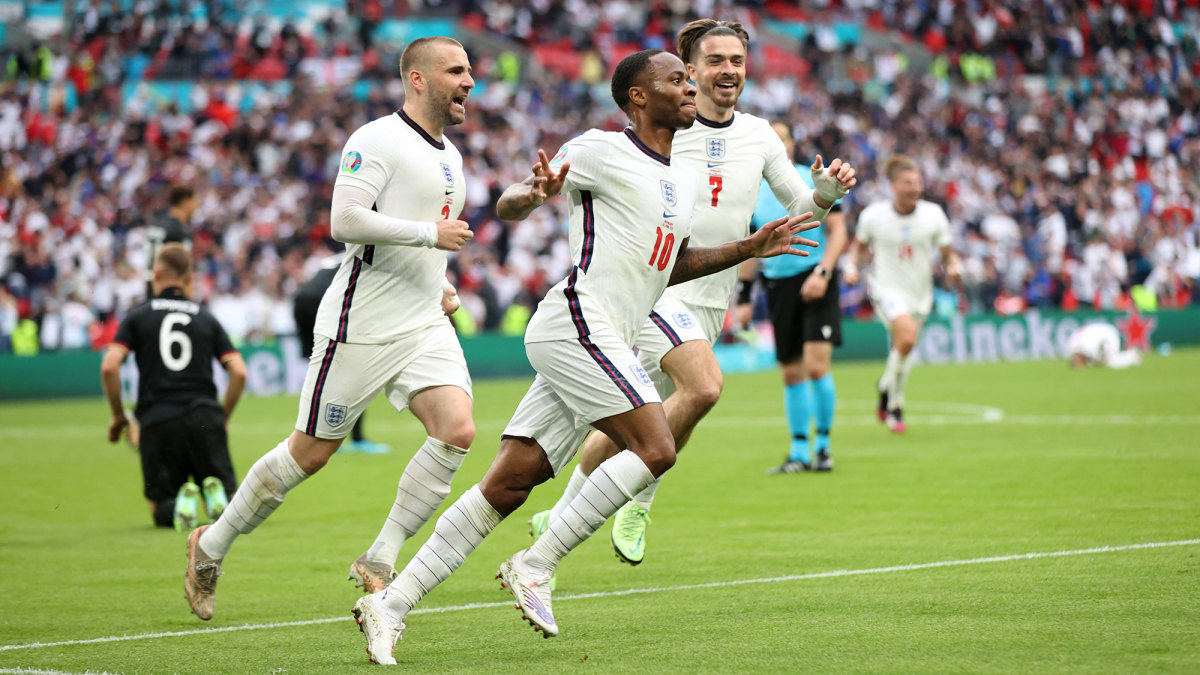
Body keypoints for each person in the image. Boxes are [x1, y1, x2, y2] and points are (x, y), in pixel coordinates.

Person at [350, 48, 826, 664]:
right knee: (656, 447)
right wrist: (532, 194)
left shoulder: (678, 178)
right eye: (676, 80)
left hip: (607, 338)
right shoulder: (601, 149)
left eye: (689, 79)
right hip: (578, 322)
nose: (689, 90)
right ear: (638, 98)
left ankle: (390, 606)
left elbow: (671, 264)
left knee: (511, 482)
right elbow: (512, 202)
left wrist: (748, 246)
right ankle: (537, 564)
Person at [529, 19, 856, 572]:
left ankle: (561, 517)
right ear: (691, 70)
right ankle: (639, 501)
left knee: (635, 420)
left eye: (737, 60)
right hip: (655, 288)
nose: (728, 70)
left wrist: (823, 194)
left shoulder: (758, 136)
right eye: (715, 61)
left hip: (711, 296)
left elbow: (797, 207)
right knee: (696, 390)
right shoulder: (664, 130)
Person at [183, 36, 477, 621]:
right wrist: (427, 239)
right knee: (311, 454)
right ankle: (209, 546)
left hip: (422, 319)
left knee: (457, 429)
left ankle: (381, 556)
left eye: (470, 70)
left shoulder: (452, 155)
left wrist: (438, 279)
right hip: (360, 322)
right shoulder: (376, 138)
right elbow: (345, 221)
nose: (469, 81)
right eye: (456, 70)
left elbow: (427, 234)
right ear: (417, 79)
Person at [100, 243, 247, 530]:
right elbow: (239, 373)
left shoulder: (137, 316)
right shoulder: (206, 317)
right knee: (230, 499)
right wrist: (222, 416)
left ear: (155, 274)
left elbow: (109, 365)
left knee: (161, 505)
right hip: (205, 417)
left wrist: (119, 417)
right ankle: (214, 496)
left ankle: (180, 503)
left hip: (158, 421)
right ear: (189, 278)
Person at [739, 119, 847, 474]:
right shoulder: (750, 189)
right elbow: (752, 246)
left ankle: (824, 447)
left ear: (790, 143)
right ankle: (799, 453)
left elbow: (839, 231)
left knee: (816, 366)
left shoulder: (811, 177)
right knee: (791, 373)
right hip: (779, 284)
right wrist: (743, 296)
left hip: (815, 277)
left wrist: (824, 272)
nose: (777, 146)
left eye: (782, 139)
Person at [843, 155, 962, 433]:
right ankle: (896, 406)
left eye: (918, 182)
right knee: (906, 337)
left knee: (905, 349)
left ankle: (885, 387)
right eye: (908, 182)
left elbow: (947, 254)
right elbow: (858, 249)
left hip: (920, 293)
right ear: (894, 185)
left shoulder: (934, 214)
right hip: (886, 289)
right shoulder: (874, 216)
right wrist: (851, 268)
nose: (915, 187)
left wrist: (954, 267)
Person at [293, 248, 390, 455]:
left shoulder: (332, 258)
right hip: (324, 302)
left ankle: (315, 433)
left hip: (301, 302)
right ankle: (356, 439)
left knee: (322, 371)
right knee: (356, 369)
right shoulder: (369, 257)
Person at [145, 185, 196, 298]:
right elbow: (184, 268)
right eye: (194, 202)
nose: (196, 207)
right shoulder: (179, 232)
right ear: (186, 201)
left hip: (151, 290)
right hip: (170, 292)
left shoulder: (157, 224)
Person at [1066, 322, 1143, 368]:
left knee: (1111, 363)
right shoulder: (1071, 347)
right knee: (1102, 361)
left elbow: (1098, 359)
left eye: (1078, 361)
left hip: (1109, 335)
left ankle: (1131, 356)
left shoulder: (1088, 347)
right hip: (1101, 333)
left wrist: (1095, 362)